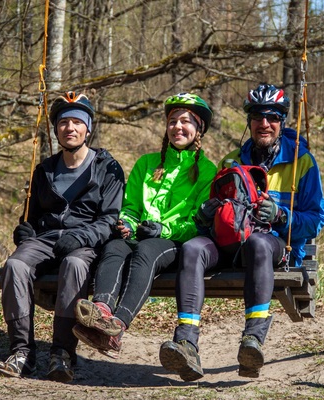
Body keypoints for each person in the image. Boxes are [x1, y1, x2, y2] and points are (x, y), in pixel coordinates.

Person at [159, 83, 324, 381]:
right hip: (229, 245)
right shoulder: (231, 162)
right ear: (248, 121)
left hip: (274, 248)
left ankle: (252, 341)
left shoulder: (302, 162)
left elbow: (317, 219)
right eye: (257, 117)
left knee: (259, 243)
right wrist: (204, 217)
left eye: (272, 117)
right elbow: (214, 221)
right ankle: (186, 342)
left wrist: (281, 215)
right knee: (193, 248)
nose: (264, 124)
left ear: (282, 121)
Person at [0, 92, 125, 383]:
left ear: (88, 128)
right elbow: (31, 216)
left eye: (78, 122)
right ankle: (21, 353)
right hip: (45, 239)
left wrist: (81, 238)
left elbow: (109, 220)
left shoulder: (107, 168)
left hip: (85, 243)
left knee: (74, 266)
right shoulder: (44, 170)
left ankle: (62, 354)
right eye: (64, 122)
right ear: (56, 130)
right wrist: (24, 230)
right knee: (14, 266)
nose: (70, 128)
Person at [71, 93, 218, 360]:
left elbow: (199, 222)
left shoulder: (208, 171)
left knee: (146, 251)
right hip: (139, 237)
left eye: (186, 121)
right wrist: (127, 222)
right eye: (172, 121)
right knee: (115, 246)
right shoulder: (147, 164)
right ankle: (101, 312)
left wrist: (163, 230)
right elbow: (131, 207)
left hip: (176, 244)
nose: (177, 127)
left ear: (199, 129)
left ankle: (116, 330)